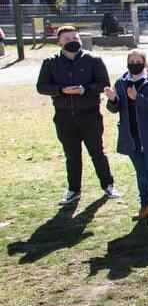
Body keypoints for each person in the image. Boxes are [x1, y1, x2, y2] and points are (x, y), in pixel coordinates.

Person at [36, 26, 118, 206]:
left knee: (97, 152)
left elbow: (104, 83)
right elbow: (41, 86)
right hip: (64, 116)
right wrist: (61, 90)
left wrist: (85, 90)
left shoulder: (93, 59)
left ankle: (108, 185)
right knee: (72, 155)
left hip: (90, 115)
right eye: (67, 39)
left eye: (75, 37)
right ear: (59, 42)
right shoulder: (50, 62)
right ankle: (74, 189)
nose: (72, 41)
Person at [105, 50, 148, 220]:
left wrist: (138, 98)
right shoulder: (121, 82)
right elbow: (115, 109)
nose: (134, 63)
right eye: (131, 60)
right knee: (141, 174)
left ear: (144, 62)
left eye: (138, 60)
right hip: (131, 137)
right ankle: (145, 206)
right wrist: (112, 99)